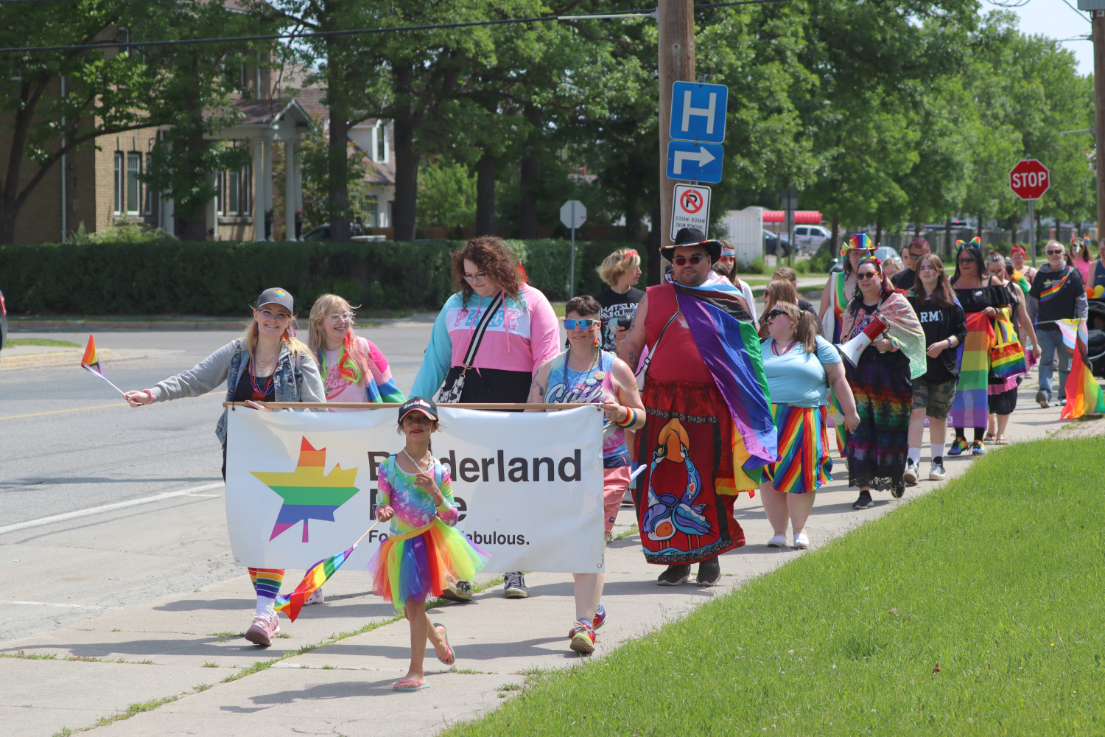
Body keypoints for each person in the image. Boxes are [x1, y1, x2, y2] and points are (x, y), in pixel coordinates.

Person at [123, 288, 325, 647]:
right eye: (267, 312)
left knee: (268, 533)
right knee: (248, 535)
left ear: (289, 322)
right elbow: (194, 379)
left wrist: (277, 416)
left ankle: (264, 613)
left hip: (283, 461)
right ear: (256, 313)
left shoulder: (299, 360)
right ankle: (268, 609)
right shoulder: (236, 354)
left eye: (281, 315)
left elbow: (318, 412)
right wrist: (151, 394)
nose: (272, 320)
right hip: (238, 456)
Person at [619, 232, 774, 586]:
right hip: (658, 403)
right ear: (671, 264)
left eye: (694, 259)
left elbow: (748, 358)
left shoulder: (728, 299)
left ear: (709, 260)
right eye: (679, 260)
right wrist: (620, 389)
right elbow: (632, 346)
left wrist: (754, 408)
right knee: (661, 481)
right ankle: (676, 559)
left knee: (708, 478)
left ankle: (711, 556)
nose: (686, 266)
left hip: (711, 402)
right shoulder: (654, 297)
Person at [411, 236, 559, 601]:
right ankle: (461, 574)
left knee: (510, 491)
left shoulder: (532, 301)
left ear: (500, 268)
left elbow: (547, 361)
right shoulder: (455, 305)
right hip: (462, 412)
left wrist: (536, 411)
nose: (475, 283)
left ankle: (515, 570)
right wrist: (413, 405)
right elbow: (436, 361)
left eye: (481, 275)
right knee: (458, 492)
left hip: (515, 411)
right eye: (469, 276)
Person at [528, 295, 645, 653]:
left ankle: (583, 625)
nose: (577, 331)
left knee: (590, 543)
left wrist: (620, 413)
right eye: (571, 324)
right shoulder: (549, 370)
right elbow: (529, 416)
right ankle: (593, 607)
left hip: (609, 468)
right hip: (564, 472)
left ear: (598, 327)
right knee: (576, 543)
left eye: (585, 324)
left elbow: (641, 417)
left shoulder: (616, 368)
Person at [370, 397, 489, 690]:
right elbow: (382, 502)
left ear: (434, 426)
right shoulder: (388, 466)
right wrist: (383, 511)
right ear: (401, 426)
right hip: (400, 543)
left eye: (423, 420)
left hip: (428, 543)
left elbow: (450, 517)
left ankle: (416, 671)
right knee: (411, 610)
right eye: (410, 420)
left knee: (413, 604)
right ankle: (437, 635)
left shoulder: (439, 470)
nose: (416, 425)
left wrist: (435, 491)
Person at [759, 302, 858, 547]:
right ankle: (779, 532)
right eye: (766, 315)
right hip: (765, 420)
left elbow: (838, 379)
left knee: (802, 474)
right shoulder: (760, 347)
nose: (767, 319)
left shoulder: (816, 345)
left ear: (793, 320)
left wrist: (850, 413)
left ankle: (799, 531)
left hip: (804, 418)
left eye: (774, 314)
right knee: (768, 475)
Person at [840, 257, 926, 508]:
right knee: (860, 433)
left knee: (891, 431)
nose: (865, 279)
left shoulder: (897, 303)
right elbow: (846, 339)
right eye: (861, 275)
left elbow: (916, 338)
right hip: (859, 379)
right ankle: (864, 492)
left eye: (870, 275)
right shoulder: (853, 308)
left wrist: (891, 344)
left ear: (880, 277)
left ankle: (896, 475)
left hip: (891, 379)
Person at [947, 240, 1019, 456]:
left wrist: (994, 312)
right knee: (956, 390)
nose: (964, 264)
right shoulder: (950, 283)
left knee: (978, 391)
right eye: (960, 260)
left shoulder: (991, 281)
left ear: (978, 260)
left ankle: (979, 439)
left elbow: (1007, 311)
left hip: (981, 347)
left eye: (969, 260)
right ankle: (959, 439)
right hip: (956, 346)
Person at [904, 255, 966, 484]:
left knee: (938, 417)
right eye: (923, 268)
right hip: (917, 369)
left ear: (939, 271)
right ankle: (912, 463)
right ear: (918, 273)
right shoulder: (910, 303)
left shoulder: (950, 302)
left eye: (931, 267)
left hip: (944, 369)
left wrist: (943, 345)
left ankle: (937, 463)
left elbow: (961, 334)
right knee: (917, 412)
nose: (927, 271)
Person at [819, 234, 877, 454]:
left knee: (869, 399)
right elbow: (820, 317)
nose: (859, 257)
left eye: (864, 253)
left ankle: (869, 449)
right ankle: (848, 451)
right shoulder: (835, 280)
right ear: (847, 255)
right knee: (841, 400)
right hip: (839, 350)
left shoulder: (879, 280)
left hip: (870, 349)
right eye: (855, 253)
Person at [307, 294, 405, 407]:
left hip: (363, 424)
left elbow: (390, 390)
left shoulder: (365, 348)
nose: (342, 321)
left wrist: (408, 413)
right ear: (320, 323)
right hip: (325, 424)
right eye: (334, 317)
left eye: (345, 315)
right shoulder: (309, 357)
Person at [984, 256, 1040, 444]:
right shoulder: (982, 289)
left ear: (1005, 268)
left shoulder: (1014, 289)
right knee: (987, 387)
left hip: (1010, 346)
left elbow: (1023, 318)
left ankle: (1001, 432)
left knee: (1008, 388)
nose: (997, 274)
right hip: (986, 345)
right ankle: (991, 426)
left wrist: (1035, 343)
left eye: (999, 270)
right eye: (992, 271)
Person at [1029, 239, 1087, 408]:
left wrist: (1082, 322)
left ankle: (1064, 396)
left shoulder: (1072, 274)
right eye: (1050, 252)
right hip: (1044, 329)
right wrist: (1027, 324)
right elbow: (1032, 303)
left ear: (1063, 254)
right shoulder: (1041, 275)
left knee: (1065, 365)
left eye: (1057, 252)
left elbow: (1081, 301)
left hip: (1067, 330)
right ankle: (1045, 395)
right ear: (1046, 255)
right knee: (1046, 362)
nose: (1054, 255)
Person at [594, 248, 645, 353]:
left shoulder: (644, 299)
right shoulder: (597, 302)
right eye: (635, 268)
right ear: (620, 271)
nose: (640, 272)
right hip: (608, 365)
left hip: (638, 363)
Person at [712, 240, 758, 321]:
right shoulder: (708, 286)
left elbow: (752, 319)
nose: (729, 263)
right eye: (724, 259)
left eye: (731, 259)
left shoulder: (743, 287)